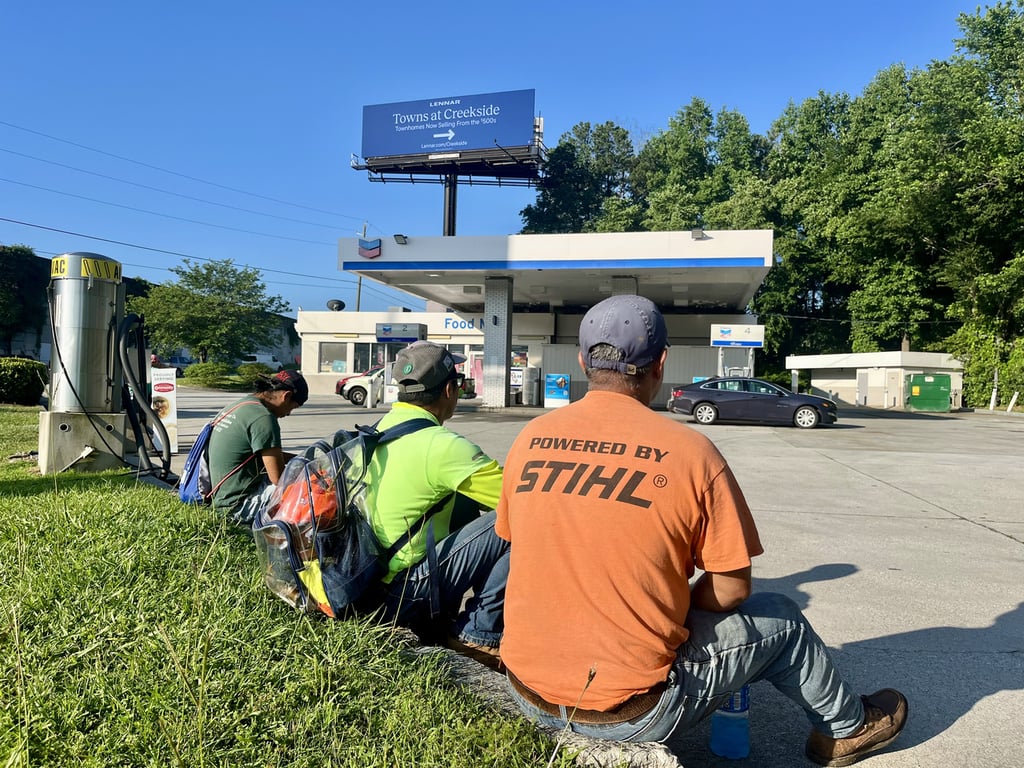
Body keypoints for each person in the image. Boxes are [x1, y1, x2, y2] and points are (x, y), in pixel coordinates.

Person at [496, 295, 908, 767]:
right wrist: (678, 607)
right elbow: (733, 588)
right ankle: (848, 728)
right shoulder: (691, 453)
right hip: (630, 713)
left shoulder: (530, 438)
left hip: (526, 690)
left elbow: (521, 545)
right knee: (782, 617)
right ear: (661, 363)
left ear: (582, 360)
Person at [364, 341, 508, 667]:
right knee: (512, 521)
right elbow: (522, 500)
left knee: (463, 505)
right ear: (449, 389)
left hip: (366, 584)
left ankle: (446, 621)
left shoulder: (375, 431)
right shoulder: (443, 447)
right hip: (403, 593)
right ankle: (478, 636)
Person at [208, 369, 308, 526]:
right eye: (292, 408)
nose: (288, 414)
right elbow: (279, 479)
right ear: (286, 396)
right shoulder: (264, 418)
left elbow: (265, 454)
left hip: (219, 496)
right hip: (237, 507)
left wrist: (300, 459)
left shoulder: (243, 405)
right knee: (308, 493)